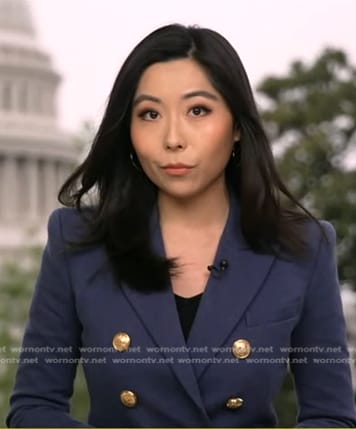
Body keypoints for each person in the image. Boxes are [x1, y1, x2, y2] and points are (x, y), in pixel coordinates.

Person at [6, 23, 356, 428]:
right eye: (150, 114)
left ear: (237, 125)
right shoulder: (78, 241)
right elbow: (34, 408)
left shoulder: (302, 247)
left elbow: (331, 417)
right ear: (129, 131)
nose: (173, 138)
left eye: (198, 111)